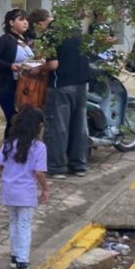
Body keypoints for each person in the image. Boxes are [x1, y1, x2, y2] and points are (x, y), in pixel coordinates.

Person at [0, 108, 49, 269]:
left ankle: (15, 256)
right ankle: (22, 261)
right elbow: (39, 172)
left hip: (8, 191)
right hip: (26, 193)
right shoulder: (39, 147)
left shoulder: (8, 144)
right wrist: (45, 188)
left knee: (14, 223)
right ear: (38, 127)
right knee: (24, 225)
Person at [40, 15, 92, 178]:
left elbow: (53, 64)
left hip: (60, 86)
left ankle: (56, 167)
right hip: (82, 85)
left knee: (57, 128)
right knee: (79, 126)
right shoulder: (79, 33)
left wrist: (39, 68)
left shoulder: (51, 35)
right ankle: (78, 165)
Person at [0, 9, 31, 131]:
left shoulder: (24, 40)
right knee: (13, 121)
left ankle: (20, 147)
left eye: (26, 19)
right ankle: (9, 148)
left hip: (24, 87)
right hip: (8, 88)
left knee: (23, 122)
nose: (25, 23)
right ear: (11, 23)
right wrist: (10, 66)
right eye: (21, 19)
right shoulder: (5, 40)